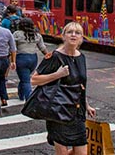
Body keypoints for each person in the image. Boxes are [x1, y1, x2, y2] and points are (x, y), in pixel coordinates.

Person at [30, 22, 97, 155]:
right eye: (70, 32)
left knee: (81, 152)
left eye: (77, 33)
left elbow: (80, 85)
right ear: (63, 36)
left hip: (77, 111)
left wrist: (87, 105)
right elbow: (34, 80)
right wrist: (57, 75)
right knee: (62, 153)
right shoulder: (54, 56)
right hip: (58, 111)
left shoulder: (81, 57)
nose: (73, 35)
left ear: (81, 38)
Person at [14, 17, 51, 101]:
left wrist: (11, 60)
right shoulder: (37, 35)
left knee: (26, 80)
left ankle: (29, 99)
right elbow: (42, 48)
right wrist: (48, 56)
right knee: (25, 78)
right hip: (33, 59)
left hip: (21, 58)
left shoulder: (17, 34)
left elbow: (13, 48)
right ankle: (21, 94)